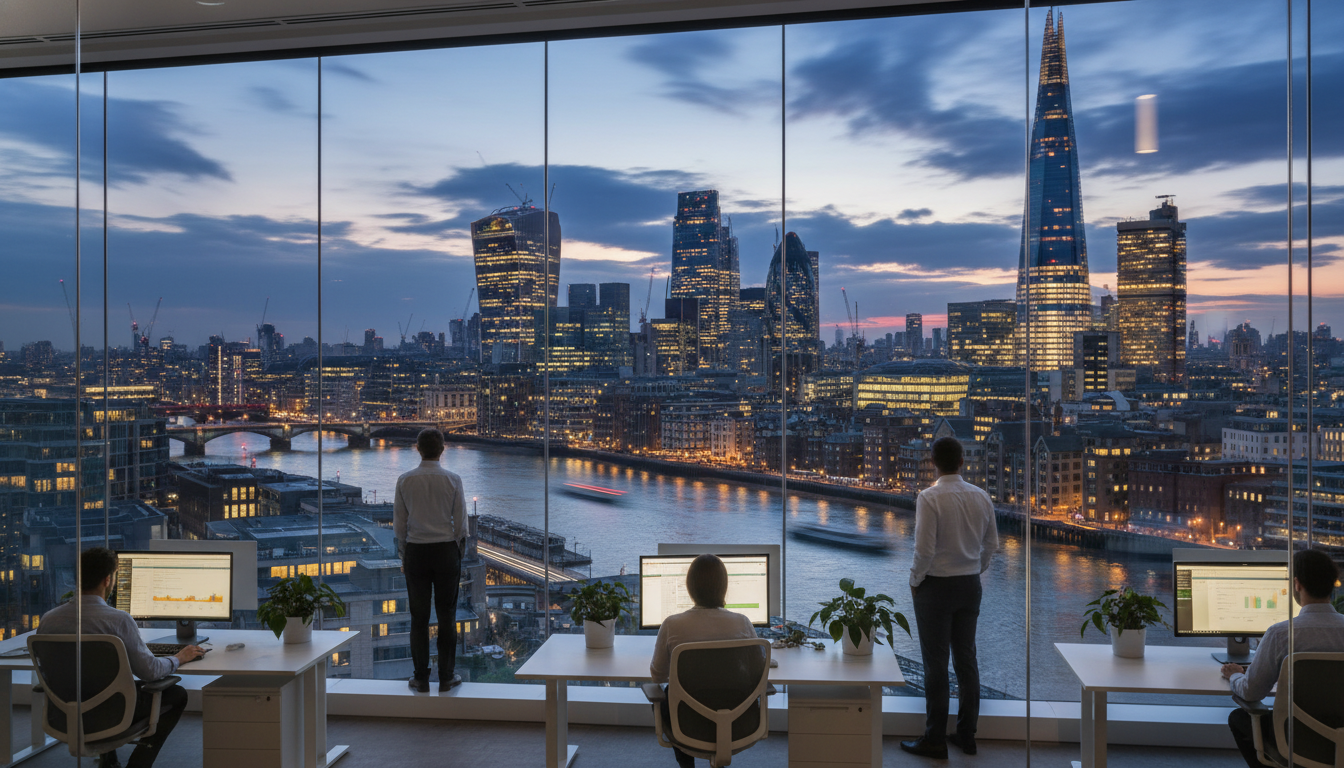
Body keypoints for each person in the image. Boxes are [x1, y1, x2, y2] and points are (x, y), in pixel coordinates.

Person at [37, 547, 204, 768]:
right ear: (108, 580)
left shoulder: (49, 620)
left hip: (65, 714)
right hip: (112, 714)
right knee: (176, 694)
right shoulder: (118, 620)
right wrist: (179, 658)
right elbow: (150, 672)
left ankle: (109, 761)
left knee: (109, 681)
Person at [902, 436, 998, 760]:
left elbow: (924, 550)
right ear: (961, 462)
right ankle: (967, 735)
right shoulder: (982, 496)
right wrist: (975, 568)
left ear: (933, 462)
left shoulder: (929, 498)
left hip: (936, 588)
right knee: (967, 661)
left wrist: (915, 581)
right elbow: (991, 545)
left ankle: (935, 739)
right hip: (970, 585)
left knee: (936, 664)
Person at [1223, 548, 1344, 768]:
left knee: (1238, 717)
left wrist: (1236, 676)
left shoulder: (1281, 634)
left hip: (1299, 743)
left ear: (1297, 584)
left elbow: (1251, 692)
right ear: (1333, 584)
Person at [649, 554, 758, 768]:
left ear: (689, 588)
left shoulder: (672, 625)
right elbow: (757, 672)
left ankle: (686, 764)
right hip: (735, 722)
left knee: (665, 695)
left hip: (687, 725)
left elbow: (657, 676)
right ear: (724, 587)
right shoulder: (743, 623)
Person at [394, 427, 467, 693]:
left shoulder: (404, 480)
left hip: (417, 551)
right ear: (442, 449)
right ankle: (447, 677)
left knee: (418, 618)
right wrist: (456, 550)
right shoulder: (453, 480)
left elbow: (399, 527)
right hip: (446, 551)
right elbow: (461, 525)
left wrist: (405, 553)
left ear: (417, 448)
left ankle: (420, 678)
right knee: (447, 615)